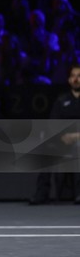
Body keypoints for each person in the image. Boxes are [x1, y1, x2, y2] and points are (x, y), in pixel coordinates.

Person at [30, 63, 80, 204]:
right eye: (73, 76)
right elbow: (53, 124)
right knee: (46, 148)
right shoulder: (61, 100)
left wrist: (76, 136)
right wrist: (62, 136)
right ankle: (41, 194)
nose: (76, 79)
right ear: (69, 79)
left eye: (79, 76)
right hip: (63, 140)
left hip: (78, 140)